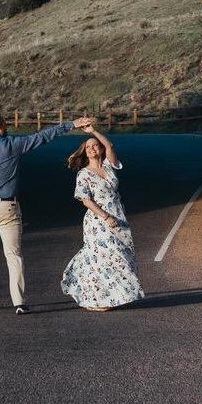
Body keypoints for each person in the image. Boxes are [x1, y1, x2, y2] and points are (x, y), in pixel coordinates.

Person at [0, 109, 95, 314]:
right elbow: (42, 137)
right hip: (8, 207)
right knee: (13, 255)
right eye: (4, 124)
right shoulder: (12, 145)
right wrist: (72, 124)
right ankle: (19, 302)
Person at [61, 124, 145, 312]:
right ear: (84, 152)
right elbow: (85, 200)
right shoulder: (84, 174)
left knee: (121, 256)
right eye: (88, 146)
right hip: (98, 221)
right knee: (102, 259)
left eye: (95, 145)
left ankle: (112, 297)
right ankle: (97, 300)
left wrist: (93, 132)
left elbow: (111, 146)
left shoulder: (109, 166)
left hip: (119, 215)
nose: (92, 148)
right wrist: (105, 217)